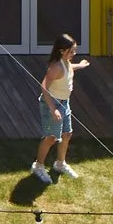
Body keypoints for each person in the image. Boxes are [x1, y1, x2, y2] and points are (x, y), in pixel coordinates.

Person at [31, 33, 89, 182]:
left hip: (64, 102)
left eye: (75, 51)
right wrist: (53, 108)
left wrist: (80, 66)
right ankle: (38, 166)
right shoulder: (56, 67)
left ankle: (60, 164)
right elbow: (44, 87)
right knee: (51, 137)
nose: (74, 54)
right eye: (72, 51)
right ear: (62, 51)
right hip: (53, 103)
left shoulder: (66, 62)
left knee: (67, 134)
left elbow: (69, 69)